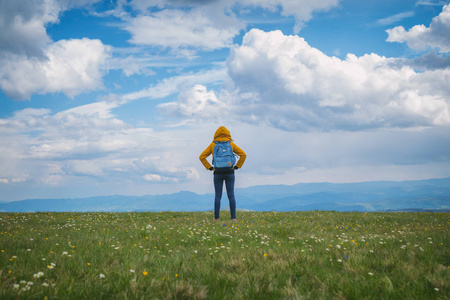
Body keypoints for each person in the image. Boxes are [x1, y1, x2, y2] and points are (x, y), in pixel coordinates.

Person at [199, 126, 246, 221]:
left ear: (216, 134)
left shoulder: (213, 145)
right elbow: (243, 155)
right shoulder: (231, 144)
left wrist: (209, 167)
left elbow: (202, 157)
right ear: (228, 134)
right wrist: (237, 166)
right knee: (231, 195)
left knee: (217, 195)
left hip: (217, 173)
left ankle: (216, 218)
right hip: (230, 172)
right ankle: (233, 218)